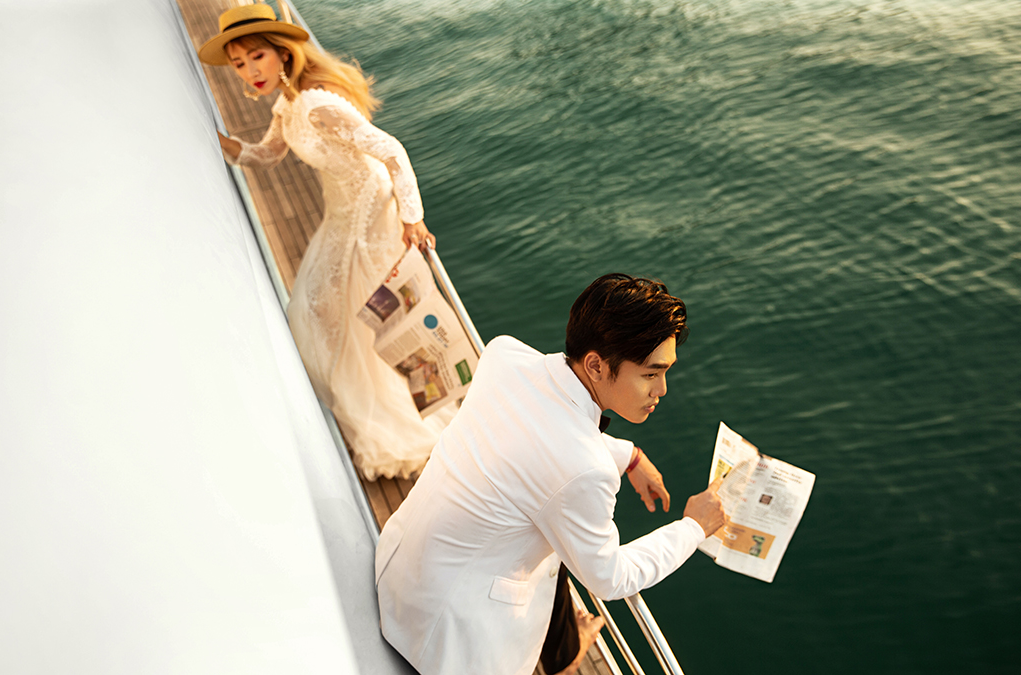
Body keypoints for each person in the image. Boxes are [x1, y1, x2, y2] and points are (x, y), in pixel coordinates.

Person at [375, 273, 726, 675]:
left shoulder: (505, 355)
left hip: (400, 572)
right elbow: (610, 577)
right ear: (595, 365)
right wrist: (693, 527)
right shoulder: (586, 470)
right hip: (446, 642)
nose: (662, 389)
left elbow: (540, 430)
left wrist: (629, 455)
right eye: (651, 374)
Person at [198, 4, 452, 479]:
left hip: (372, 214)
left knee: (354, 312)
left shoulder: (317, 104)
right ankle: (364, 398)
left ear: (282, 52)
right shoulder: (288, 104)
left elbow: (392, 151)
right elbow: (267, 155)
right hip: (340, 213)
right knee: (317, 308)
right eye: (239, 64)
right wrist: (216, 141)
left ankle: (400, 415)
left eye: (257, 57)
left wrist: (412, 218)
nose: (250, 72)